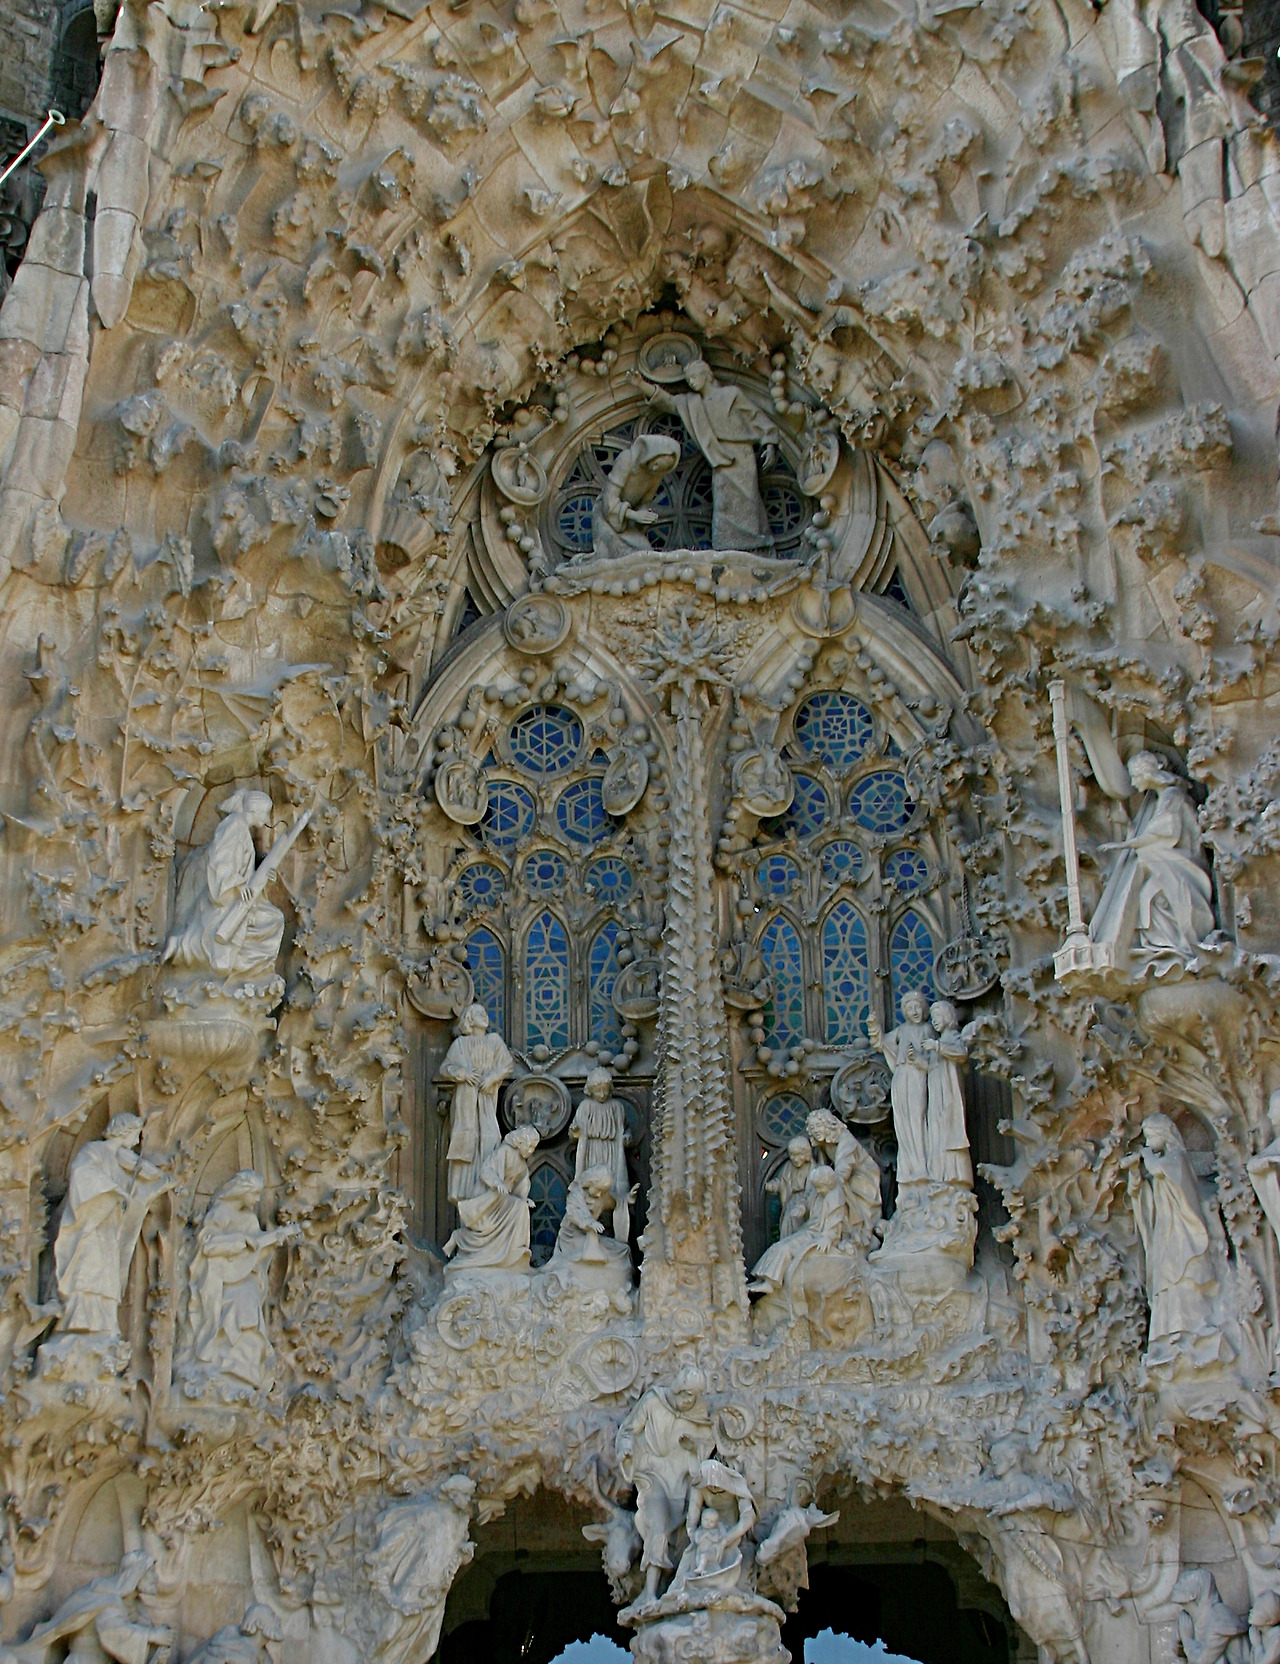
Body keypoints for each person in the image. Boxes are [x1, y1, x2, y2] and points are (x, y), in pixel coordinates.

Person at [53, 1113, 173, 1340]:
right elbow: (82, 1174)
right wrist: (114, 1190)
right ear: (125, 1131)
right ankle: (78, 1323)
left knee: (107, 1275)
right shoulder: (95, 1150)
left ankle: (104, 1326)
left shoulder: (123, 1160)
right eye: (136, 1135)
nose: (137, 1142)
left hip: (109, 1227)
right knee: (88, 1270)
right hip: (92, 1224)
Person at [1095, 750, 1213, 973]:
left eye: (1135, 776)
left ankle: (1180, 946)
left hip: (1181, 864)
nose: (1132, 782)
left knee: (1154, 889)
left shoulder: (1173, 797)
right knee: (1150, 894)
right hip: (1170, 862)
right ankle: (1167, 948)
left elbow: (1163, 833)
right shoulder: (1163, 798)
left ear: (1147, 773)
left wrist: (1123, 845)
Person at [185, 1171, 301, 1391]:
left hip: (243, 1279)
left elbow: (254, 1253)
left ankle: (242, 1368)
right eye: (254, 1194)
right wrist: (239, 1241)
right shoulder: (221, 1211)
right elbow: (208, 1244)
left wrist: (271, 1242)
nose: (257, 1200)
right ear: (242, 1192)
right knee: (239, 1303)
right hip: (219, 1280)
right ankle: (221, 1361)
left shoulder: (249, 1219)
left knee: (249, 1306)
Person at [645, 359, 777, 551]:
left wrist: (770, 441)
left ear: (707, 375)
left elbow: (755, 415)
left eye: (694, 377)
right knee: (724, 501)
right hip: (719, 457)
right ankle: (728, 548)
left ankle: (754, 544)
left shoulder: (731, 394)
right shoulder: (693, 404)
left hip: (741, 454)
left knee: (747, 500)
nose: (691, 382)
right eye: (688, 378)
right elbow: (670, 402)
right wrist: (640, 385)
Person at [163, 790, 289, 979]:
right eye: (264, 813)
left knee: (274, 919)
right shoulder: (234, 826)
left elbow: (244, 872)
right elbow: (220, 863)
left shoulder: (241, 830)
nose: (265, 819)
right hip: (227, 897)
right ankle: (183, 946)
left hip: (237, 895)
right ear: (254, 810)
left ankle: (248, 975)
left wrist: (265, 879)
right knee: (269, 922)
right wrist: (238, 884)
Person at [616, 1367, 715, 1602]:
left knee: (690, 1532)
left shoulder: (697, 1410)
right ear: (678, 1388)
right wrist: (625, 1448)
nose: (690, 1401)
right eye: (687, 1394)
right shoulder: (653, 1401)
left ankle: (681, 1588)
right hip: (653, 1475)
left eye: (694, 1396)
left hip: (681, 1478)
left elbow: (707, 1440)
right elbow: (629, 1430)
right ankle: (650, 1592)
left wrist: (695, 1447)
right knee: (658, 1526)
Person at [1125, 1113, 1220, 1350]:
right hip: (1165, 1231)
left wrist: (1144, 1157)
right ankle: (1168, 1334)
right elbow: (1144, 1196)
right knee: (1166, 1281)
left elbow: (1158, 1170)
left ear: (1165, 1135)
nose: (1147, 1144)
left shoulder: (1176, 1159)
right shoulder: (1162, 1163)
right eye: (1146, 1139)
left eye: (1151, 1137)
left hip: (1183, 1230)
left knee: (1184, 1276)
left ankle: (1194, 1329)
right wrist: (1135, 1177)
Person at [441, 1004, 514, 1205]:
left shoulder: (494, 1041)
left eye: (484, 1012)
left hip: (486, 1097)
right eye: (478, 1013)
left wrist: (492, 1077)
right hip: (465, 1101)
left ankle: (488, 1184)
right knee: (466, 1140)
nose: (484, 1016)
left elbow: (506, 1064)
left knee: (490, 1137)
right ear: (469, 1020)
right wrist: (461, 1073)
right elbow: (444, 1068)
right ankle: (465, 1190)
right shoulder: (460, 1045)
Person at [443, 1125, 540, 1271]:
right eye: (530, 1146)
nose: (531, 1150)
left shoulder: (522, 1165)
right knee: (485, 1227)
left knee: (521, 1208)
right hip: (489, 1197)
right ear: (520, 1142)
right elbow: (487, 1170)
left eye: (534, 1147)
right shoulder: (504, 1152)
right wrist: (496, 1182)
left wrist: (523, 1198)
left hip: (504, 1199)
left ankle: (515, 1252)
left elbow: (521, 1186)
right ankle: (459, 1238)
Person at [867, 994, 932, 1186]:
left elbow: (933, 1058)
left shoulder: (927, 1029)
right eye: (910, 1008)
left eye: (917, 1007)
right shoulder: (902, 1030)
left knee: (918, 1119)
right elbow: (881, 1043)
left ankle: (923, 1165)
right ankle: (910, 1166)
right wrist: (873, 1026)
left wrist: (918, 1057)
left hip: (919, 1077)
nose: (914, 1012)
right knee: (903, 1123)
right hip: (902, 1078)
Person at [591, 434, 681, 560]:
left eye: (660, 469)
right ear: (651, 455)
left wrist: (644, 514)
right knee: (622, 555)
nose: (654, 470)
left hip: (629, 524)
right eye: (655, 464)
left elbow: (646, 501)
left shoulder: (655, 474)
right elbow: (609, 501)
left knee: (646, 554)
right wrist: (634, 515)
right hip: (606, 519)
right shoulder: (627, 460)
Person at [568, 1068, 633, 1241]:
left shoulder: (617, 1107)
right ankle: (588, 1233)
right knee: (593, 1191)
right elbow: (575, 1130)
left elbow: (625, 1128)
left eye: (605, 1089)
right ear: (590, 1090)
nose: (602, 1094)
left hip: (612, 1152)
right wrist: (575, 1132)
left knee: (612, 1191)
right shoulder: (585, 1106)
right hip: (592, 1152)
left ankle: (612, 1235)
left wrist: (626, 1137)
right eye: (598, 1090)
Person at [804, 1109, 881, 1247]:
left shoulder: (846, 1140)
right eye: (813, 1128)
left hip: (862, 1179)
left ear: (829, 1125)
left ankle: (856, 1235)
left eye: (819, 1126)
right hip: (842, 1177)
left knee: (836, 1190)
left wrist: (827, 1183)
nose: (815, 1131)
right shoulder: (824, 1143)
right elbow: (822, 1167)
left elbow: (842, 1171)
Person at [925, 1000, 973, 1187]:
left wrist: (937, 1047)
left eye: (937, 1017)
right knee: (938, 1133)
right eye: (932, 1018)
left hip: (949, 1094)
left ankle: (957, 1176)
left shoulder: (952, 1037)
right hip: (937, 1095)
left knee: (950, 1132)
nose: (934, 1021)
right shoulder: (940, 1042)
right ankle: (940, 1174)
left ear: (947, 1016)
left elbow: (960, 1053)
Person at [766, 1138, 814, 1239]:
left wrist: (804, 1204)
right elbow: (783, 1182)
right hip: (792, 1200)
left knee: (799, 1221)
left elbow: (812, 1189)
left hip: (806, 1200)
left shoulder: (812, 1168)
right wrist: (774, 1185)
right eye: (793, 1155)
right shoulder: (788, 1167)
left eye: (799, 1155)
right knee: (788, 1222)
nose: (795, 1159)